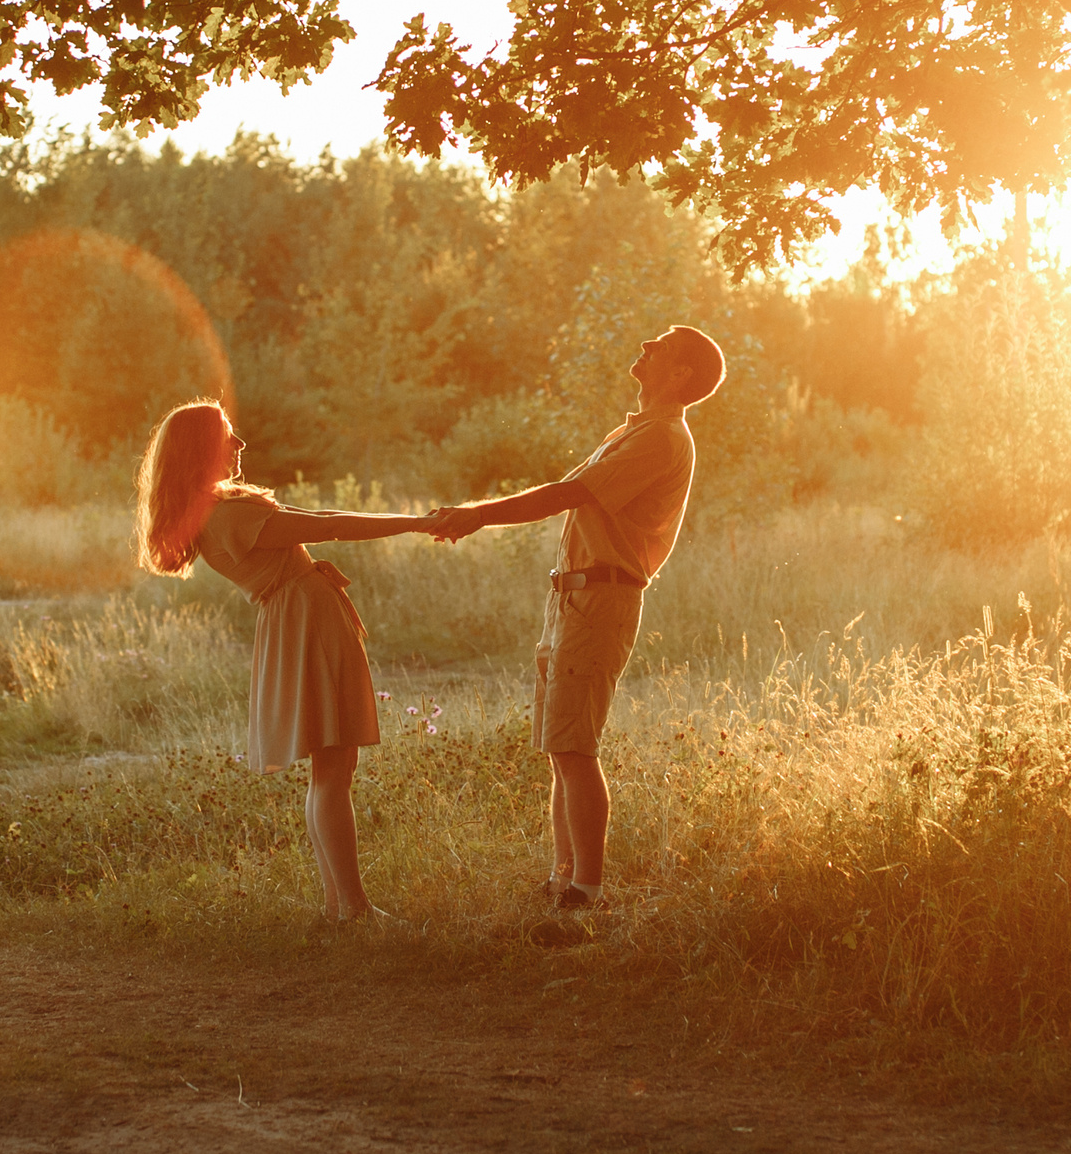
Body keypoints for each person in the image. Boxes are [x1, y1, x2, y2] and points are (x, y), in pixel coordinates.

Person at [430, 325, 727, 910]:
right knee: (559, 745)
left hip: (602, 599)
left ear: (681, 373)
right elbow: (571, 493)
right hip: (573, 598)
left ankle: (584, 892)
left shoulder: (661, 439)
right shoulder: (635, 430)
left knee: (574, 747)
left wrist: (477, 515)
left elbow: (566, 495)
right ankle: (561, 881)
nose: (646, 345)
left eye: (660, 344)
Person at [136, 399, 439, 922]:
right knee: (334, 767)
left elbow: (322, 523)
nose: (239, 444)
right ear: (202, 449)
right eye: (229, 435)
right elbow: (328, 524)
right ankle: (355, 907)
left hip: (296, 620)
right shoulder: (227, 515)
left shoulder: (214, 512)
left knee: (329, 767)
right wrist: (416, 522)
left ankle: (338, 905)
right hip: (305, 623)